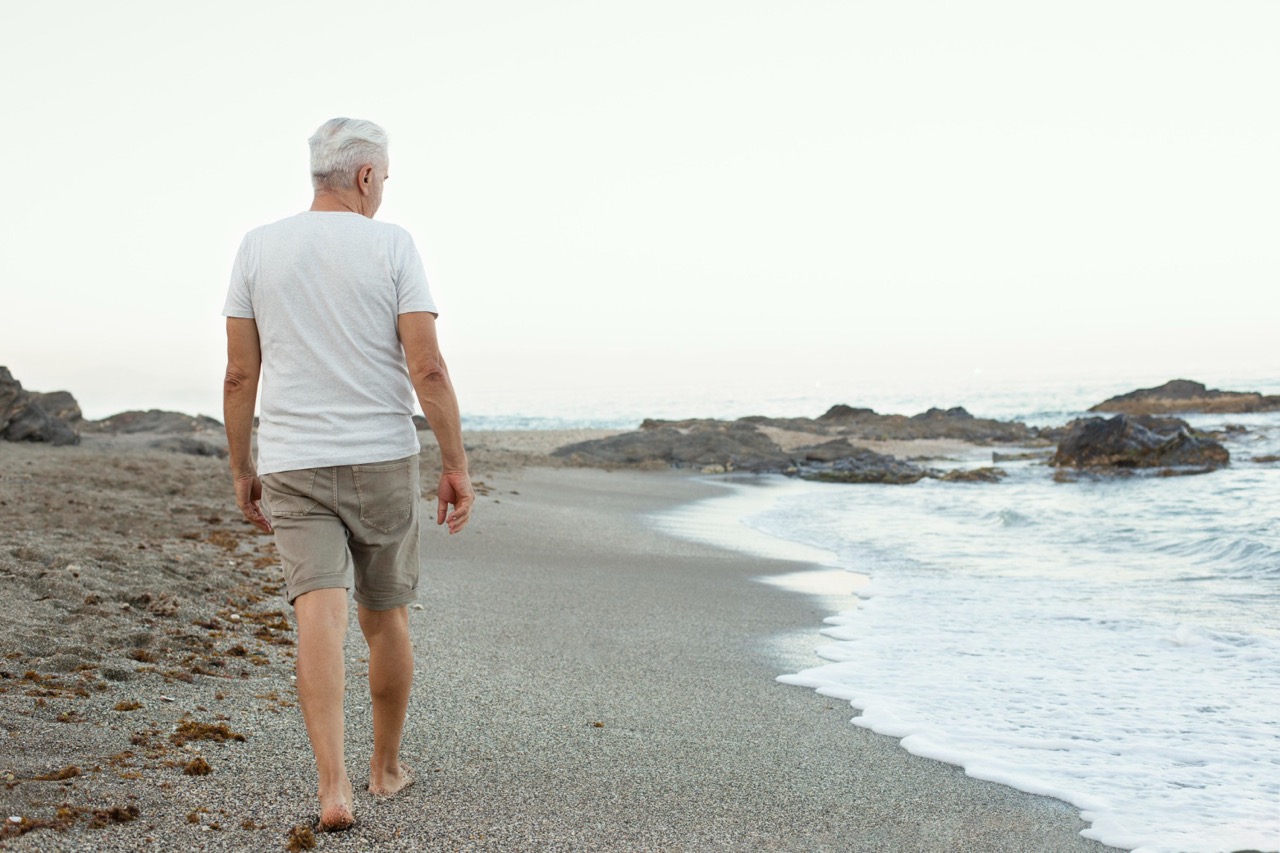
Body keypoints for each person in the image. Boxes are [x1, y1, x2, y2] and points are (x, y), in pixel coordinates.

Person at [221, 117, 473, 831]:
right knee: (384, 616)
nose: (383, 190)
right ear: (365, 176)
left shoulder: (257, 247)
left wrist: (241, 468)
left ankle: (334, 788)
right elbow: (428, 367)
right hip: (381, 458)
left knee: (318, 617)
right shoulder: (392, 245)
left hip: (293, 461)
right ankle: (384, 769)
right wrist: (455, 464)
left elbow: (239, 375)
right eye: (384, 178)